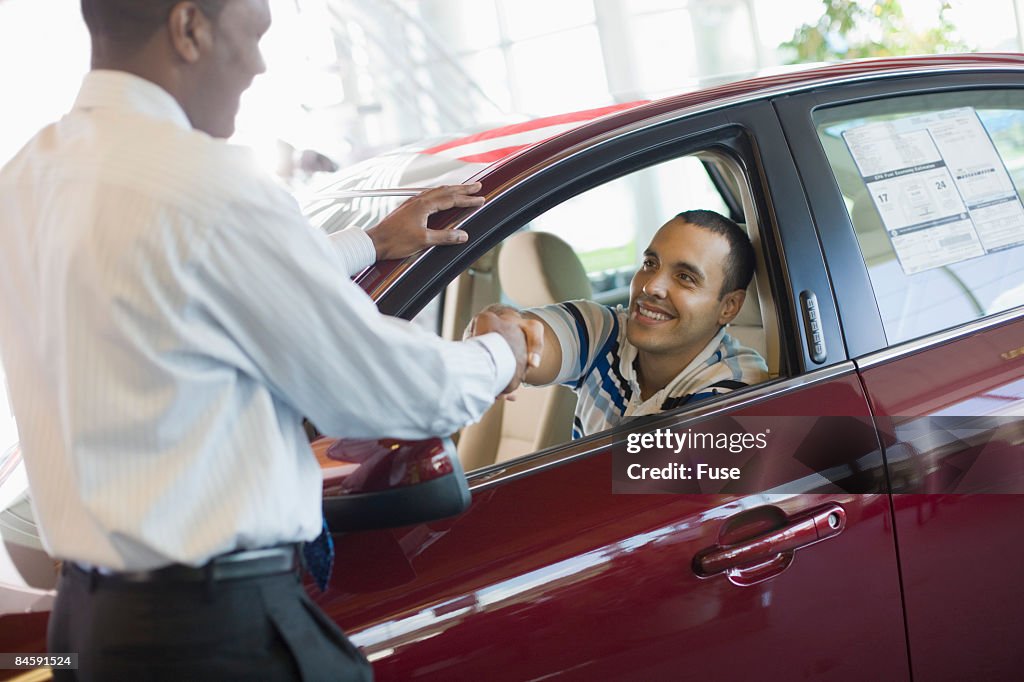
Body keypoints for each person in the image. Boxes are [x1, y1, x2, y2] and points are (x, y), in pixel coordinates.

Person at [0, 1, 542, 680]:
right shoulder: (206, 183)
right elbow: (396, 391)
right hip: (216, 636)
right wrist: (503, 352)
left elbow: (175, 282)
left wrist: (368, 242)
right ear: (189, 26)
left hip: (88, 626)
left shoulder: (25, 179)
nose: (258, 65)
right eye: (253, 35)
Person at [468, 210, 769, 439]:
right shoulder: (604, 330)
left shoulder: (735, 392)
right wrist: (507, 333)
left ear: (729, 307)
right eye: (650, 264)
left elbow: (648, 494)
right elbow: (532, 339)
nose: (651, 286)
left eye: (685, 277)